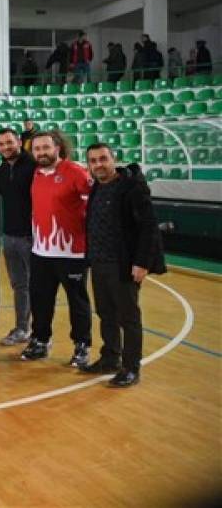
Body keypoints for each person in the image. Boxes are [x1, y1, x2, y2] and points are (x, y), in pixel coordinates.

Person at [83, 144, 165, 387]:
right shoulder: (97, 186)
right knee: (106, 314)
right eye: (93, 160)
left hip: (123, 264)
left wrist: (141, 263)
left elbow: (149, 227)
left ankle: (131, 368)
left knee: (128, 318)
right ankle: (110, 358)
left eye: (103, 159)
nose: (99, 164)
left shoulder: (132, 187)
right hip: (99, 262)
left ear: (113, 159)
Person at [20, 131, 93, 367]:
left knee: (77, 301)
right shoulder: (36, 174)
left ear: (58, 147)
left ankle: (82, 345)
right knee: (41, 300)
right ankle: (41, 341)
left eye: (46, 148)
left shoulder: (76, 172)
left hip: (73, 253)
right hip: (41, 252)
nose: (41, 152)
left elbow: (94, 207)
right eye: (37, 149)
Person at [0, 128, 35, 346]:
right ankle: (22, 328)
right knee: (19, 285)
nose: (6, 147)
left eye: (9, 142)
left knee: (37, 286)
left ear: (19, 141)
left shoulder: (32, 165)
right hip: (9, 236)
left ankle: (41, 334)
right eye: (1, 144)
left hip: (32, 237)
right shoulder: (2, 168)